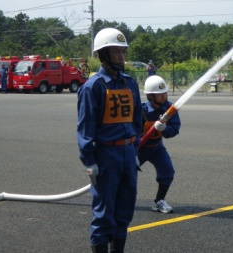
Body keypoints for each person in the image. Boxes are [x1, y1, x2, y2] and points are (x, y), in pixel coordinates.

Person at [77, 27, 143, 253]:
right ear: (103, 55)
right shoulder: (93, 87)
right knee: (104, 213)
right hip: (106, 156)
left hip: (127, 155)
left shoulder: (130, 83)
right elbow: (85, 127)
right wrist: (89, 161)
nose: (122, 57)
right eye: (116, 52)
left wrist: (134, 151)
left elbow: (137, 120)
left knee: (125, 211)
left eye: (123, 52)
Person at [138, 75, 181, 214]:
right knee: (123, 176)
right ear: (150, 96)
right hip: (138, 149)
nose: (163, 97)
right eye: (159, 94)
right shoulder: (140, 110)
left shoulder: (169, 109)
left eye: (164, 93)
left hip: (156, 147)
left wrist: (164, 129)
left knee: (167, 171)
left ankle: (159, 201)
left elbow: (174, 130)